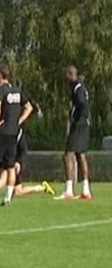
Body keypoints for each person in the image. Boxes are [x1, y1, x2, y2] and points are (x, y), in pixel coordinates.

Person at [0, 66, 33, 208]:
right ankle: (7, 198)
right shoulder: (16, 90)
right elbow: (29, 107)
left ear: (0, 76)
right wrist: (18, 121)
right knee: (10, 166)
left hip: (1, 133)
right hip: (14, 134)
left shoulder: (0, 90)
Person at [56, 66, 92, 200]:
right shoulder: (81, 87)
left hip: (79, 125)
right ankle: (85, 190)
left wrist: (77, 119)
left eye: (67, 75)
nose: (66, 78)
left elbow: (82, 104)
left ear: (71, 75)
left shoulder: (78, 88)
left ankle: (69, 190)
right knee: (80, 155)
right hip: (84, 124)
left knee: (68, 155)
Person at [0, 128, 56, 197]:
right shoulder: (0, 131)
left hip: (15, 163)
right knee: (18, 191)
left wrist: (19, 162)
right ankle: (42, 188)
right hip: (7, 161)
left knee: (7, 172)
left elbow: (23, 149)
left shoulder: (18, 132)